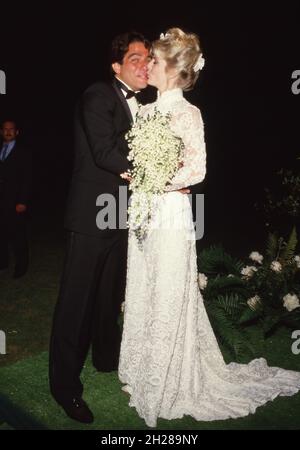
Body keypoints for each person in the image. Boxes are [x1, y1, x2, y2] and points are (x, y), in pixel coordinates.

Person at [118, 28, 300, 428]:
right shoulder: (145, 111)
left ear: (170, 67)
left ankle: (171, 381)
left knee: (168, 289)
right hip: (144, 214)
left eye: (153, 60)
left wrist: (157, 178)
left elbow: (197, 169)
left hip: (171, 214)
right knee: (143, 286)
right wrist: (136, 176)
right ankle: (143, 372)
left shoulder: (188, 113)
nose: (147, 64)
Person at [49, 31, 150, 424]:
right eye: (136, 58)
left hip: (120, 214)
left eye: (147, 59)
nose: (145, 65)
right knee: (76, 305)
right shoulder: (97, 94)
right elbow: (105, 153)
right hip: (90, 216)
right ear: (116, 66)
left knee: (109, 298)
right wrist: (155, 169)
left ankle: (106, 360)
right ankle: (65, 388)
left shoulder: (142, 104)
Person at [0, 120, 32, 279]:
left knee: (17, 235)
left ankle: (21, 266)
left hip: (15, 202)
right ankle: (2, 263)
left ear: (16, 132)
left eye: (11, 129)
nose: (8, 132)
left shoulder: (23, 153)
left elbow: (27, 179)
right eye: (5, 129)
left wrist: (22, 201)